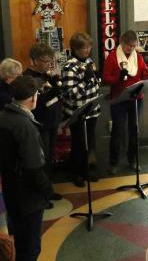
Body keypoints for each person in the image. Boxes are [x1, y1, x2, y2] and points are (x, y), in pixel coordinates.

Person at [0, 75, 54, 261]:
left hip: (11, 190)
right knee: (30, 248)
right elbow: (34, 166)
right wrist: (47, 191)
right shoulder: (25, 126)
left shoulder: (4, 116)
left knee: (20, 239)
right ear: (33, 97)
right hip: (28, 197)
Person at [103, 30, 148, 174]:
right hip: (119, 99)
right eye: (129, 46)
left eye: (134, 46)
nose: (131, 49)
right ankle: (113, 162)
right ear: (122, 44)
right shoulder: (112, 58)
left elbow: (143, 74)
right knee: (117, 132)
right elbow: (106, 78)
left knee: (134, 131)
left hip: (135, 99)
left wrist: (146, 77)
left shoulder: (138, 57)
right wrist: (118, 77)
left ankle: (132, 160)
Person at [23, 43, 62, 207]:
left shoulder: (45, 76)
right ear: (34, 60)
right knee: (42, 160)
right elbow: (31, 105)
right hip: (40, 124)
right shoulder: (28, 78)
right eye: (45, 61)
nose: (48, 64)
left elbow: (53, 98)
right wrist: (48, 96)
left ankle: (48, 190)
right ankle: (42, 195)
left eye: (49, 61)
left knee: (50, 157)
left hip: (52, 121)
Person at [62, 32, 101, 187]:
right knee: (78, 144)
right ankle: (75, 173)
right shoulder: (69, 66)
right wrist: (85, 81)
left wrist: (96, 78)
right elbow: (70, 94)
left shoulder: (89, 61)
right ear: (75, 49)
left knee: (88, 144)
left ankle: (85, 171)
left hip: (92, 110)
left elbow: (97, 84)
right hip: (77, 113)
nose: (87, 50)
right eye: (83, 48)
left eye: (88, 47)